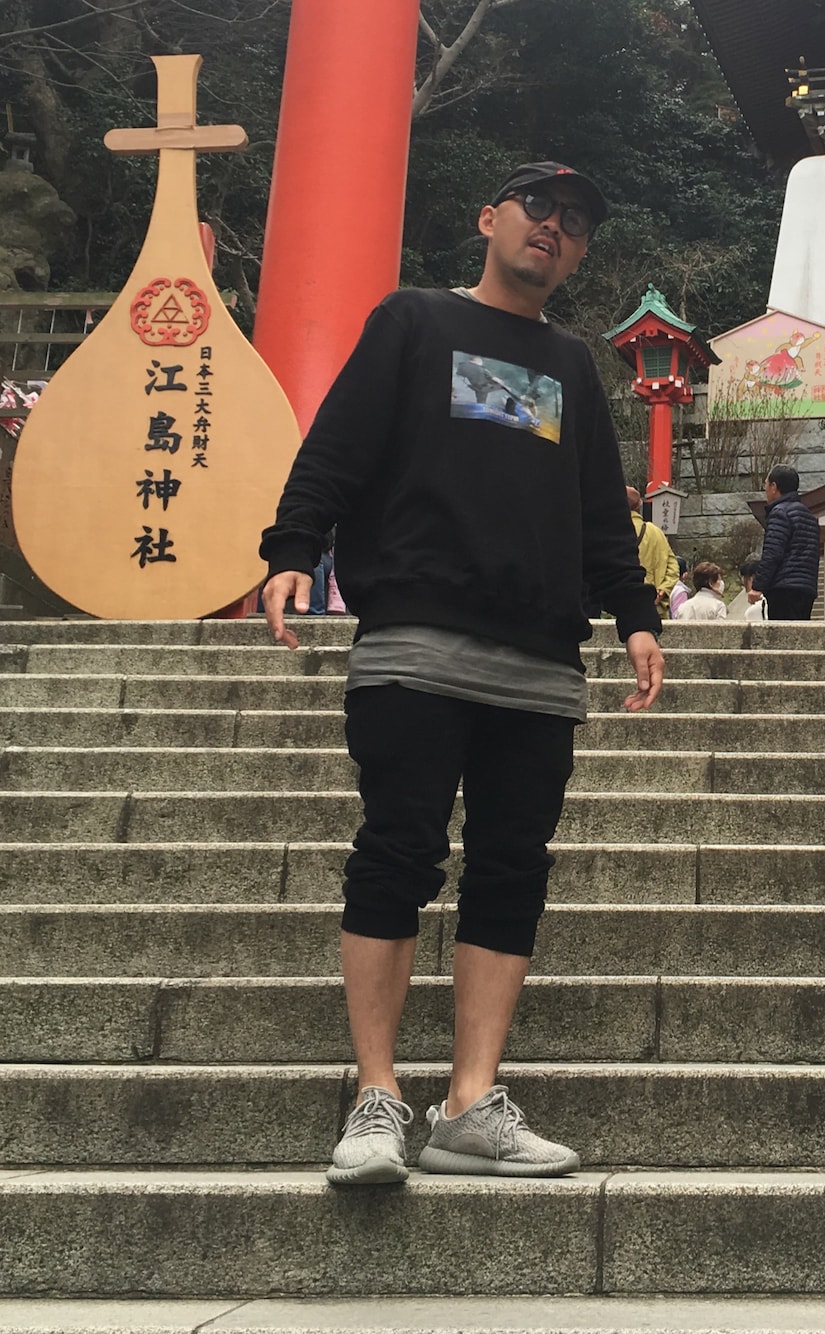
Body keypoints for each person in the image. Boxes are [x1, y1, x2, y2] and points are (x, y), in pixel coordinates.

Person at [259, 160, 664, 1187]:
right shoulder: (414, 321)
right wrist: (294, 545)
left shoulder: (571, 365)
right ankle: (376, 1096)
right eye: (539, 207)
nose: (554, 227)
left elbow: (597, 508)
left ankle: (469, 1102)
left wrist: (636, 615)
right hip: (417, 636)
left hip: (539, 658)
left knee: (511, 866)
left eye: (575, 222)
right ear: (489, 218)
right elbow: (339, 444)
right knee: (396, 852)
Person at [749, 465, 820, 621]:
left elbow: (772, 553)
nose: (765, 489)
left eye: (766, 484)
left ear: (774, 487)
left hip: (783, 587)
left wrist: (757, 586)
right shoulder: (809, 516)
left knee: (781, 633)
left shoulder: (780, 512)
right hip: (806, 588)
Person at [625, 485, 679, 618]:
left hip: (623, 606)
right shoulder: (655, 531)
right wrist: (663, 590)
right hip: (653, 604)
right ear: (640, 505)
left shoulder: (613, 532)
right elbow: (673, 567)